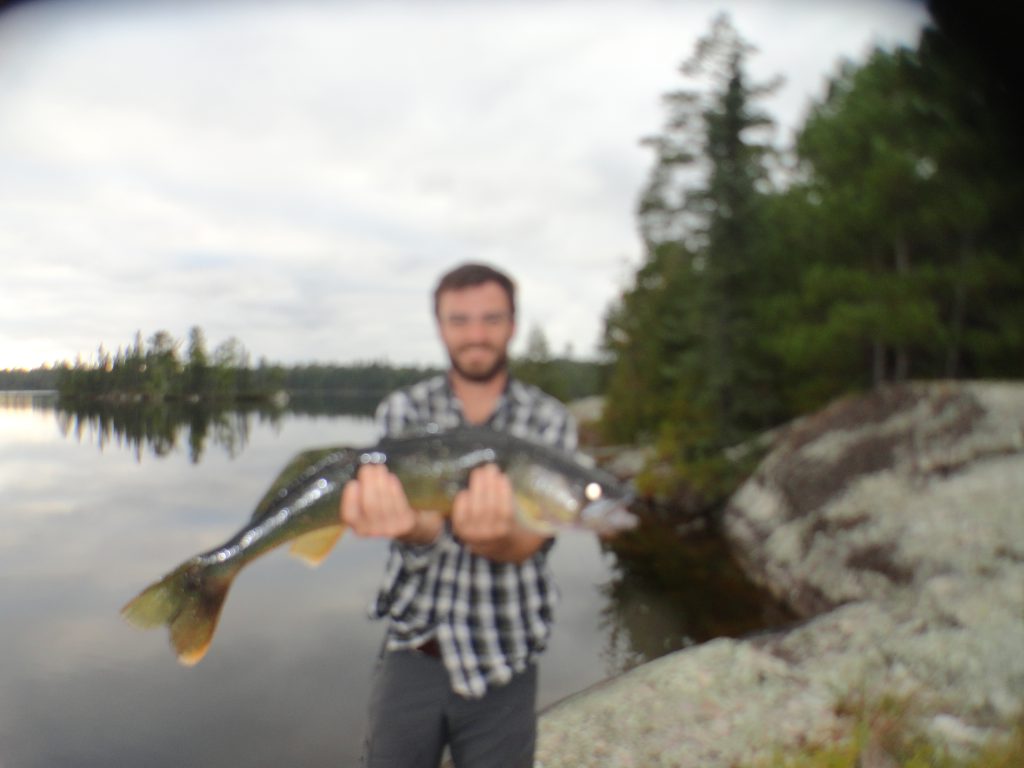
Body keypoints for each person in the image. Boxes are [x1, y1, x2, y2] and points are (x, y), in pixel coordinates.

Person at [340, 263, 577, 768]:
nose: (476, 335)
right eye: (460, 320)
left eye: (491, 319)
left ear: (513, 324)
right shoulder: (404, 409)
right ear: (440, 326)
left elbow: (534, 538)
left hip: (505, 659)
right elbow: (418, 529)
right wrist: (412, 527)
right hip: (413, 651)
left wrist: (497, 539)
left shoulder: (549, 421)